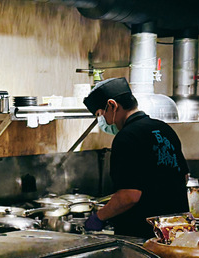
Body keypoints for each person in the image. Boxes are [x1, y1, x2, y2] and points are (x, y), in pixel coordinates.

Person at [81, 77, 189, 239]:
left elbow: (129, 196)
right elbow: (184, 176)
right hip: (175, 231)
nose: (103, 121)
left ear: (112, 105)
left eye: (101, 115)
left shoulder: (126, 137)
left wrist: (99, 216)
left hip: (143, 236)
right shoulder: (164, 128)